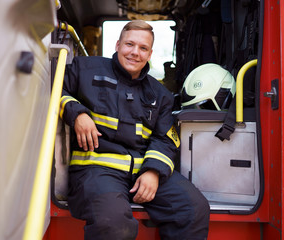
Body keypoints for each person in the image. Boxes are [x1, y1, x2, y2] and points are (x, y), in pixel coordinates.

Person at [59, 20, 210, 240]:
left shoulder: (161, 95)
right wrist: (77, 113)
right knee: (113, 223)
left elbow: (166, 139)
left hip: (143, 171)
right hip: (96, 168)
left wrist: (153, 171)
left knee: (193, 208)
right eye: (130, 44)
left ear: (149, 54)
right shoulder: (85, 69)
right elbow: (51, 89)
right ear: (118, 44)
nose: (135, 53)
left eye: (143, 48)